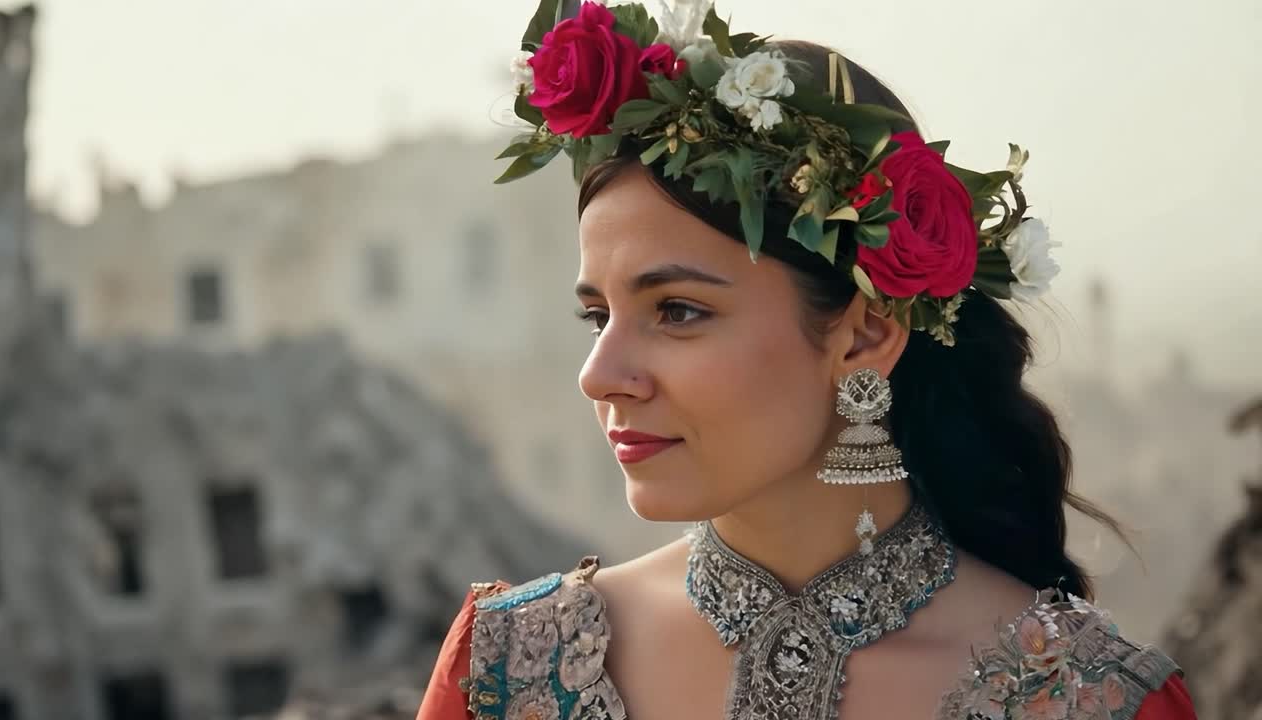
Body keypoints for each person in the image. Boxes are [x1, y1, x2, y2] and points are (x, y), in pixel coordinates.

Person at [418, 1, 1197, 718]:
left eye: (678, 311)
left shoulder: (1093, 698)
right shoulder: (508, 674)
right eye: (598, 316)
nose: (598, 373)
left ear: (863, 335)